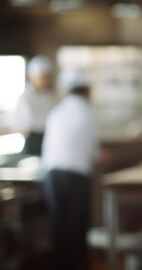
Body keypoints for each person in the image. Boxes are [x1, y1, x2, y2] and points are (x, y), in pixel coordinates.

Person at [41, 69, 99, 270]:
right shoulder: (88, 112)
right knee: (76, 227)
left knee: (58, 227)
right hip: (75, 176)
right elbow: (94, 153)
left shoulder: (57, 110)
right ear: (86, 92)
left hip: (51, 174)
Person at [10, 55, 57, 155]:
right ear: (32, 77)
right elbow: (16, 122)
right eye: (42, 78)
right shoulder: (25, 96)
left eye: (47, 77)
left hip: (48, 136)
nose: (45, 81)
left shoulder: (49, 95)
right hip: (32, 139)